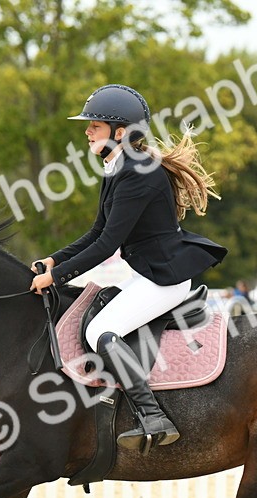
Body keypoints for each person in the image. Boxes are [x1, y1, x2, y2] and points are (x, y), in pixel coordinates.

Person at [29, 84, 227, 450]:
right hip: (146, 273)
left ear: (120, 132)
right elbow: (97, 231)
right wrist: (54, 260)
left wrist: (55, 277)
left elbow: (107, 245)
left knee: (101, 331)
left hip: (164, 278)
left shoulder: (138, 173)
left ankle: (152, 416)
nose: (87, 131)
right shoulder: (119, 167)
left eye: (95, 125)